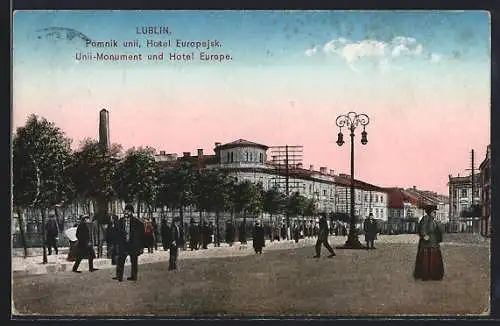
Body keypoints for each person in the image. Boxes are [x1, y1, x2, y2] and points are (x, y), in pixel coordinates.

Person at [113, 204, 144, 282]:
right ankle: (119, 277)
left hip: (132, 244)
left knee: (134, 261)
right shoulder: (120, 222)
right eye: (125, 211)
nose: (126, 212)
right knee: (120, 261)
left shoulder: (137, 222)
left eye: (128, 211)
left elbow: (141, 235)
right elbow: (116, 233)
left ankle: (134, 276)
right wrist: (117, 244)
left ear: (132, 212)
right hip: (123, 244)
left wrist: (140, 246)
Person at [413, 205, 444, 281]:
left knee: (434, 259)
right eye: (434, 212)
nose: (435, 214)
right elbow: (422, 228)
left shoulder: (434, 220)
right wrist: (424, 235)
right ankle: (425, 275)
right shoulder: (425, 218)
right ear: (430, 212)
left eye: (435, 212)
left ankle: (434, 275)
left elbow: (440, 230)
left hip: (434, 242)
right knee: (426, 259)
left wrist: (439, 224)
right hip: (426, 243)